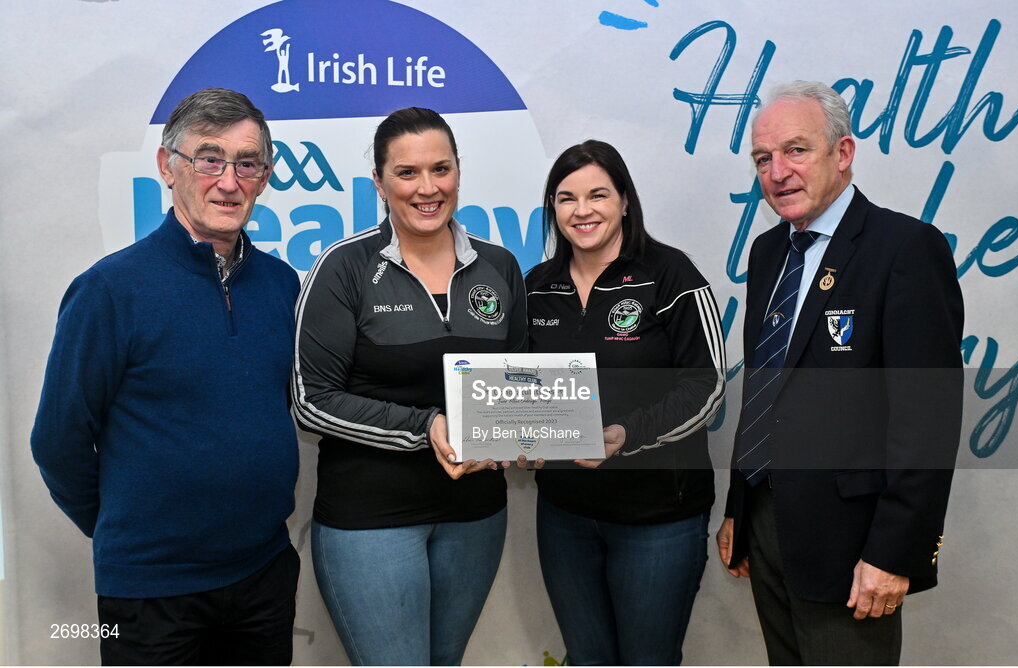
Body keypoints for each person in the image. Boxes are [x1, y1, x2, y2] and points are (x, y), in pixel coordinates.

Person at [31, 88, 301, 665]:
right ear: (166, 167)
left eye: (246, 163)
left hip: (264, 573)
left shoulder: (282, 286)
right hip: (151, 591)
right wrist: (124, 530)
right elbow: (58, 441)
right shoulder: (109, 291)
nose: (228, 181)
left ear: (263, 176)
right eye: (209, 158)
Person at [716, 81, 964, 665]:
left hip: (856, 549)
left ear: (844, 152)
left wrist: (895, 553)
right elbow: (765, 391)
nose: (777, 172)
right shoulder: (768, 252)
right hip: (770, 527)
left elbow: (926, 420)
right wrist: (740, 508)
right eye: (762, 159)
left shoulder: (905, 248)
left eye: (796, 151)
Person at [291, 107, 527, 666]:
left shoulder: (500, 266)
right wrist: (427, 428)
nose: (428, 188)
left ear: (459, 171)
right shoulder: (343, 268)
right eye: (407, 173)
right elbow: (310, 401)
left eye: (440, 169)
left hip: (476, 515)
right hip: (371, 519)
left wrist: (529, 432)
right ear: (378, 182)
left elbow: (518, 381)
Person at [525, 140, 726, 665]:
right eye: (566, 198)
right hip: (565, 516)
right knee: (587, 658)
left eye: (598, 195)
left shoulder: (671, 275)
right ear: (553, 208)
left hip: (658, 518)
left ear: (625, 201)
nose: (582, 210)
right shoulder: (537, 287)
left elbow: (705, 386)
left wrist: (626, 434)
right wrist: (512, 436)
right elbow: (517, 386)